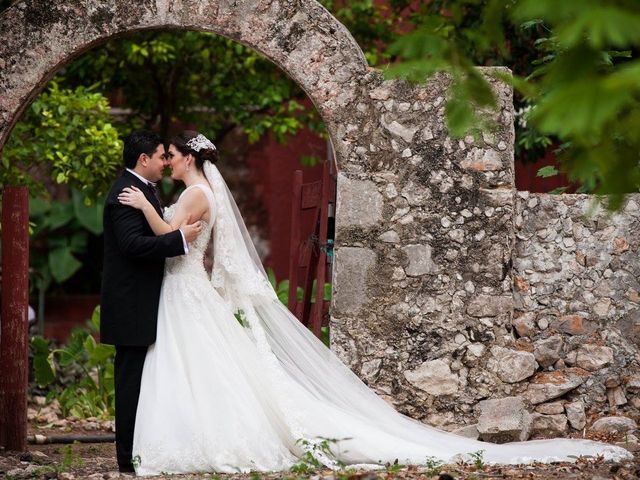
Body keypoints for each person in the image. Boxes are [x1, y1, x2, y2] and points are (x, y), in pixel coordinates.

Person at [117, 130, 631, 476]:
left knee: (198, 364)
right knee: (198, 366)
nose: (167, 159)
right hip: (181, 289)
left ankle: (205, 437)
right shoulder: (195, 190)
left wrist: (144, 206)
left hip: (185, 287)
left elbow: (172, 236)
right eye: (163, 155)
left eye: (171, 153)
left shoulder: (197, 194)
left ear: (187, 157)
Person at [100, 130, 203, 473]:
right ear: (143, 160)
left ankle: (144, 449)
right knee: (131, 382)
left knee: (147, 380)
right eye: (161, 156)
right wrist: (179, 240)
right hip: (130, 304)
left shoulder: (144, 190)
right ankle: (127, 459)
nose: (165, 162)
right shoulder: (125, 193)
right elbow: (132, 246)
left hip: (146, 302)